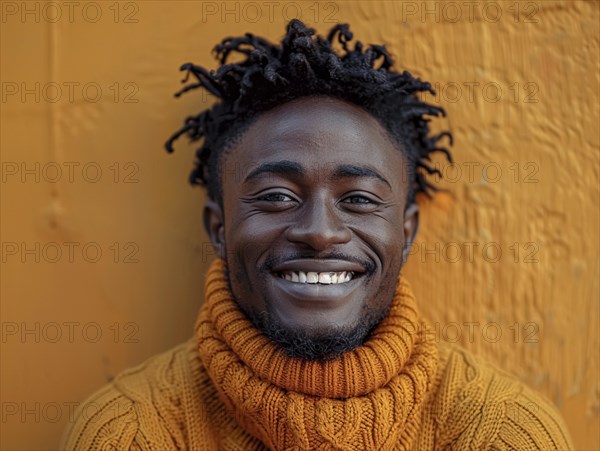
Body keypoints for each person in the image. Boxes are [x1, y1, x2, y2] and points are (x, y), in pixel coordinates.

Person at [62, 19, 573, 450]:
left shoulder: (503, 432)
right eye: (277, 196)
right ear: (218, 230)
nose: (320, 233)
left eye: (359, 199)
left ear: (407, 231)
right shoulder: (132, 432)